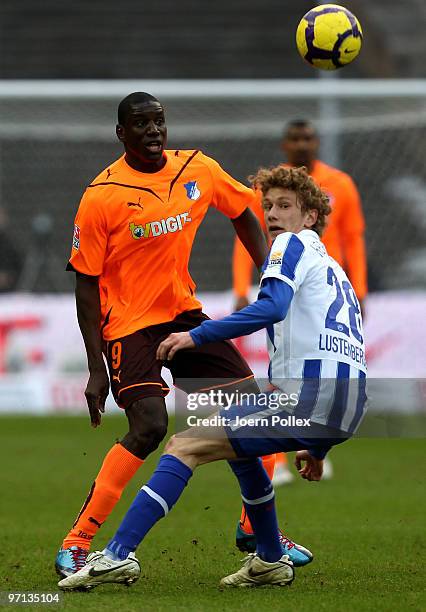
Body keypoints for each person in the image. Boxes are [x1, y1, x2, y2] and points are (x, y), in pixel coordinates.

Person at [58, 165, 367, 591]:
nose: (272, 215)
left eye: (284, 206)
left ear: (311, 216)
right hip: (347, 404)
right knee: (238, 428)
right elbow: (339, 350)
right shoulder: (333, 270)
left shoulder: (288, 247)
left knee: (184, 445)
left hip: (309, 398)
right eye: (267, 207)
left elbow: (272, 309)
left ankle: (115, 556)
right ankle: (268, 556)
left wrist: (196, 335)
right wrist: (318, 447)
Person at [55, 92, 311, 578]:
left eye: (159, 122)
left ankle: (257, 533)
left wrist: (268, 274)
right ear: (121, 133)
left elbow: (242, 210)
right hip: (129, 324)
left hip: (183, 316)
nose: (153, 131)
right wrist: (96, 368)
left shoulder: (196, 168)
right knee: (150, 426)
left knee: (250, 414)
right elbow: (85, 283)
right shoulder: (101, 195)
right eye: (141, 124)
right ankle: (78, 541)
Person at [233, 119, 366, 491]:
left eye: (307, 137)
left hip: (323, 291)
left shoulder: (340, 184)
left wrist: (360, 290)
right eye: (295, 138)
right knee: (283, 374)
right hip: (285, 280)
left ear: (317, 142)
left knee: (315, 372)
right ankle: (279, 456)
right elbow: (250, 234)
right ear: (284, 145)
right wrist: (242, 284)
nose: (301, 143)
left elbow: (353, 239)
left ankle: (311, 446)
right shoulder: (272, 190)